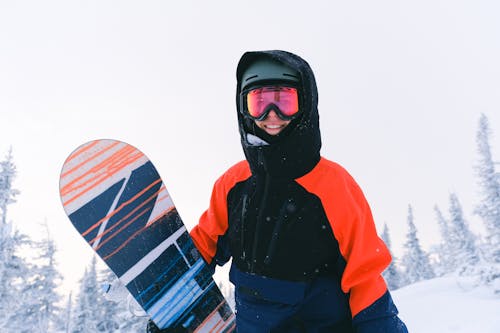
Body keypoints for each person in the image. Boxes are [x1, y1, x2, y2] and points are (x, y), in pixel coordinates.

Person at [149, 50, 408, 332]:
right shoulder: (234, 183)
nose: (272, 115)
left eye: (284, 101)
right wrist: (166, 302)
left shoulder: (334, 185)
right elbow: (206, 243)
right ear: (243, 108)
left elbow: (365, 278)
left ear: (305, 104)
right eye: (259, 102)